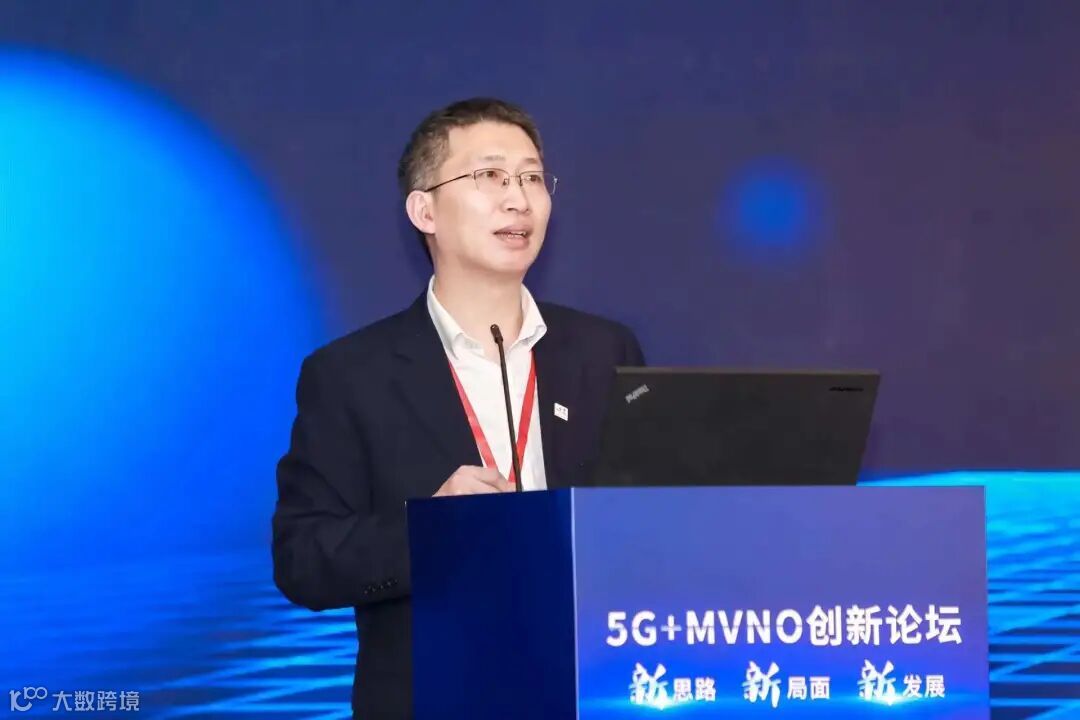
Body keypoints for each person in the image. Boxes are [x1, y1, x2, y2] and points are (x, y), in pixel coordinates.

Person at [272, 97, 644, 719]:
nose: (518, 199)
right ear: (425, 211)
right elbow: (302, 559)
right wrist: (429, 533)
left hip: (590, 693)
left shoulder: (606, 352)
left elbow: (649, 524)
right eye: (490, 176)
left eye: (531, 178)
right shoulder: (351, 375)